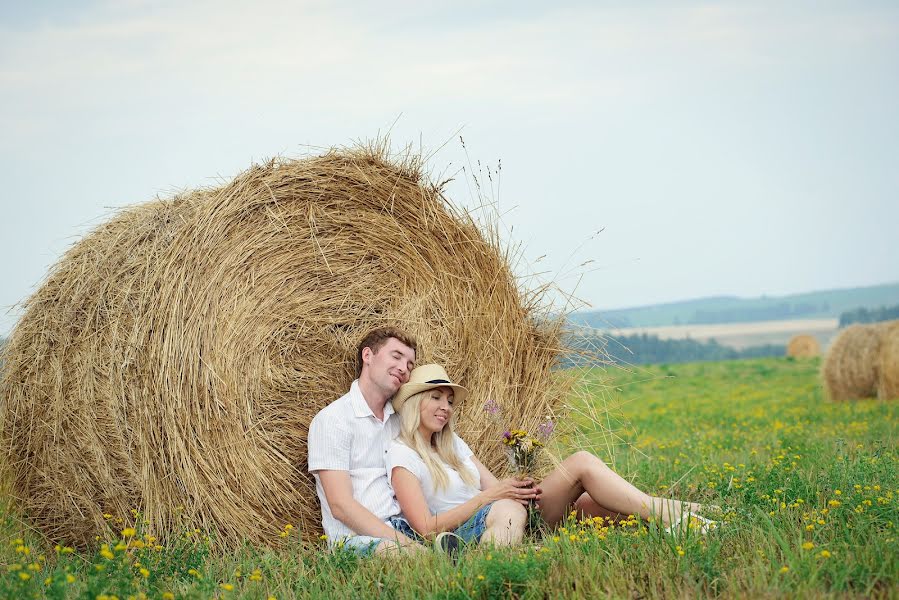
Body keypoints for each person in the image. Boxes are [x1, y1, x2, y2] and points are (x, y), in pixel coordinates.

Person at [388, 364, 716, 548]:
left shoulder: (453, 445)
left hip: (513, 509)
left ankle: (707, 515)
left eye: (449, 400)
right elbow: (426, 527)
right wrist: (496, 494)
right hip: (477, 525)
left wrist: (520, 484)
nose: (445, 407)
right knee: (582, 462)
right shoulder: (403, 457)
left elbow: (496, 485)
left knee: (597, 503)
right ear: (415, 403)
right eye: (436, 397)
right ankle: (680, 521)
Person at [307, 327, 425, 555]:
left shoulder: (401, 422)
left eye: (410, 365)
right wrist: (406, 544)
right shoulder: (333, 420)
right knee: (400, 555)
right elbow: (341, 506)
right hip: (356, 540)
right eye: (396, 356)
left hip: (407, 530)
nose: (404, 369)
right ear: (368, 356)